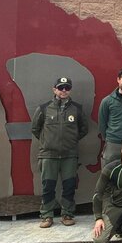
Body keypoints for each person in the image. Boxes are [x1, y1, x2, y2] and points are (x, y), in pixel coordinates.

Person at [32, 76, 89, 228]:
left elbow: (84, 129)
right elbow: (35, 129)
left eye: (67, 88)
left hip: (69, 155)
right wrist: (47, 142)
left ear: (70, 90)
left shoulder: (77, 109)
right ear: (54, 89)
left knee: (69, 186)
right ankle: (47, 216)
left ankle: (67, 214)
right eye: (60, 87)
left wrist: (71, 141)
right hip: (48, 155)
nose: (64, 90)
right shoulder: (44, 108)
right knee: (48, 186)